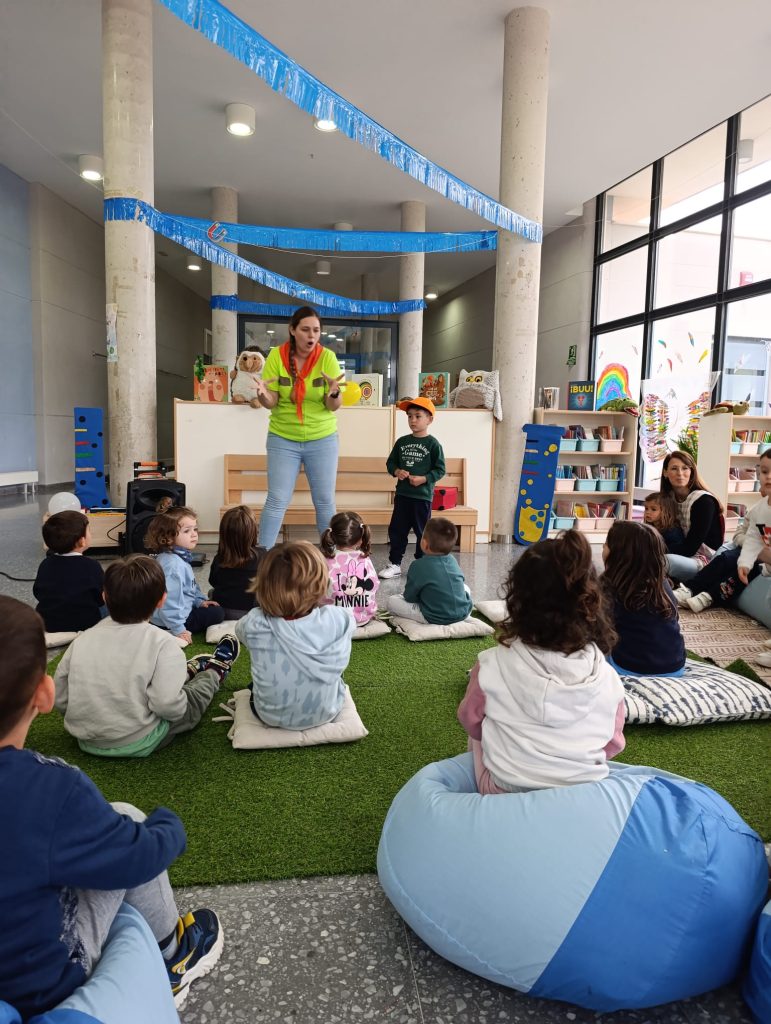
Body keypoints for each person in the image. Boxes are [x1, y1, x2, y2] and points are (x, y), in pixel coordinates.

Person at [0, 595, 224, 1015]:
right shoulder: (49, 786)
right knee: (129, 817)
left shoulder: (84, 642)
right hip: (37, 983)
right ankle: (174, 955)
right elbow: (136, 857)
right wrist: (168, 827)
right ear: (42, 694)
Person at [457, 530, 625, 795]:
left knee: (481, 733)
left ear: (518, 602)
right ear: (590, 604)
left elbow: (470, 721)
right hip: (584, 790)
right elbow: (613, 744)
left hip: (503, 788)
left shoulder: (490, 665)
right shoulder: (607, 677)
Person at [54, 555, 240, 757]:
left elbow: (61, 697)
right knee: (192, 697)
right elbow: (167, 706)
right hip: (141, 738)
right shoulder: (164, 644)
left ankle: (186, 671)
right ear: (162, 600)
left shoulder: (81, 640)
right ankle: (215, 670)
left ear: (104, 597)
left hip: (85, 739)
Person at [251, 306, 345, 549]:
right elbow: (271, 402)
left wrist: (334, 392)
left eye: (316, 330)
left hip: (322, 438)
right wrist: (262, 394)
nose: (311, 335)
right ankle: (262, 558)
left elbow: (333, 406)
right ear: (292, 330)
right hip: (283, 438)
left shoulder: (327, 358)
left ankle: (331, 558)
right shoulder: (276, 356)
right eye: (305, 329)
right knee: (277, 500)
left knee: (324, 501)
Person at [235, 541, 355, 729]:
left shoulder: (255, 623)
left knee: (254, 685)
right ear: (321, 583)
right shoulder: (339, 618)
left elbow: (239, 632)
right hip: (327, 711)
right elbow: (350, 621)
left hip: (270, 716)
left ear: (264, 585)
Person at [673, 448, 771, 614]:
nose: (768, 476)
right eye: (764, 471)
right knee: (727, 557)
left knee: (744, 571)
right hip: (753, 553)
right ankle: (689, 589)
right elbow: (739, 534)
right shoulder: (758, 509)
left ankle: (708, 597)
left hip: (764, 563)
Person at [601, 521, 686, 676]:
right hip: (675, 666)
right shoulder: (662, 583)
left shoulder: (609, 586)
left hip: (629, 667)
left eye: (606, 544)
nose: (602, 547)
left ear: (618, 554)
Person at [379, 396, 446, 579]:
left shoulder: (433, 444)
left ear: (429, 419)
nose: (413, 420)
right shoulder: (402, 442)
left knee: (422, 532)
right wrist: (397, 471)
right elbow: (390, 463)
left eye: (418, 416)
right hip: (402, 496)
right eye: (409, 416)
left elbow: (440, 470)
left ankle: (422, 564)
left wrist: (424, 479)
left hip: (422, 498)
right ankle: (395, 564)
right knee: (397, 530)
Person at [145, 506, 225, 643]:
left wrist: (199, 601)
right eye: (187, 531)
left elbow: (189, 588)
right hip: (169, 622)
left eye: (195, 529)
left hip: (170, 615)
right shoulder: (174, 566)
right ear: (168, 538)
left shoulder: (177, 557)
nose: (194, 534)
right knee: (217, 613)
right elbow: (169, 602)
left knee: (214, 607)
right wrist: (179, 630)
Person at [386, 517, 473, 625]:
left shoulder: (417, 565)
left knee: (392, 601)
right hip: (464, 612)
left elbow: (409, 597)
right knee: (465, 587)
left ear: (424, 543)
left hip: (433, 617)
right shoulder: (453, 560)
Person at [33, 510, 105, 632]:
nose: (91, 533)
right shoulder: (92, 566)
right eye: (89, 531)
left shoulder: (45, 564)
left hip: (48, 623)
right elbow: (100, 598)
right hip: (86, 624)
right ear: (82, 541)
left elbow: (38, 592)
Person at [659, 450, 724, 581]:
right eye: (674, 468)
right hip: (680, 551)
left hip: (704, 559)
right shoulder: (667, 498)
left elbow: (690, 548)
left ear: (692, 472)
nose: (680, 473)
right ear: (665, 473)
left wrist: (654, 550)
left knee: (661, 561)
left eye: (685, 468)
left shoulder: (704, 501)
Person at [320, 511, 380, 626]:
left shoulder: (325, 561)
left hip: (335, 620)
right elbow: (375, 585)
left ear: (331, 536)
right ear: (360, 539)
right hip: (363, 618)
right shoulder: (365, 559)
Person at [209, 505, 267, 619]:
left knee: (211, 592)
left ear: (224, 533)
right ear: (253, 531)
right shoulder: (264, 556)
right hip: (254, 611)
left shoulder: (219, 558)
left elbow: (213, 581)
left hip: (224, 610)